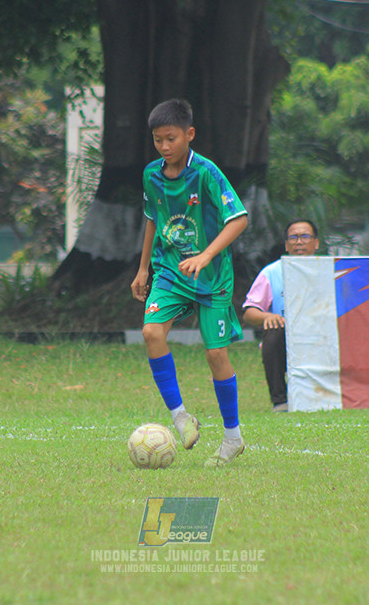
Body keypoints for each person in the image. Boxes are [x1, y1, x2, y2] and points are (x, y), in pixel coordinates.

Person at [130, 98, 249, 467]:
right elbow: (153, 217)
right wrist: (143, 268)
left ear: (189, 135)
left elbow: (239, 219)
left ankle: (233, 438)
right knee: (152, 333)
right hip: (170, 271)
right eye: (157, 140)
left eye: (171, 139)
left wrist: (206, 255)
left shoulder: (207, 173)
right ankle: (181, 416)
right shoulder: (151, 174)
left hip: (211, 277)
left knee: (216, 354)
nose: (164, 147)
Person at [242, 219, 320, 412]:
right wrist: (267, 317)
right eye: (293, 237)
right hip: (287, 342)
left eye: (305, 237)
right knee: (273, 330)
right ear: (286, 245)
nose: (299, 241)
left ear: (316, 243)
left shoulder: (330, 270)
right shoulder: (272, 272)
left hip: (322, 339)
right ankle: (280, 401)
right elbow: (249, 312)